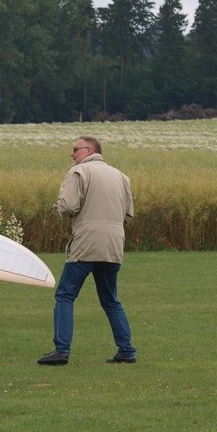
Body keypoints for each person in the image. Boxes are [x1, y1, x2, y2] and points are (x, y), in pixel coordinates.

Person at [38, 136, 137, 366]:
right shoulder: (121, 176)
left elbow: (69, 206)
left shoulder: (79, 172)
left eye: (75, 149)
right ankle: (127, 350)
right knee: (110, 300)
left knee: (65, 295)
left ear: (89, 150)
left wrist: (58, 208)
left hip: (86, 244)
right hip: (113, 245)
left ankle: (61, 350)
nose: (72, 154)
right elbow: (128, 214)